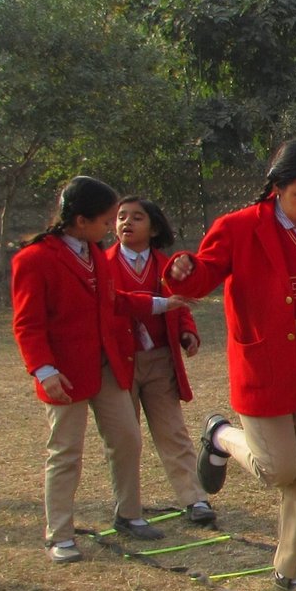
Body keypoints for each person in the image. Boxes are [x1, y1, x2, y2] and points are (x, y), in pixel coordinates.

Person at [165, 139, 296, 591]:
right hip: (265, 362)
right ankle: (220, 435)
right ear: (277, 187)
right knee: (279, 469)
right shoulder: (239, 227)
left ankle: (287, 570)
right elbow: (202, 277)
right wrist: (184, 270)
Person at [10, 175, 173, 564]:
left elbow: (113, 301)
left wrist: (163, 304)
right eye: (105, 220)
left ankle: (129, 513)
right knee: (66, 451)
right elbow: (28, 323)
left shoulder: (94, 253)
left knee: (127, 438)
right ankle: (60, 534)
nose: (112, 228)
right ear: (81, 221)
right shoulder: (34, 259)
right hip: (64, 374)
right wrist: (44, 370)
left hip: (106, 366)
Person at [110, 197, 215, 525]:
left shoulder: (166, 265)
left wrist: (187, 333)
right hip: (120, 362)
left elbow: (180, 305)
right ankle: (128, 507)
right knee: (125, 438)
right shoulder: (103, 264)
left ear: (154, 228)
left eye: (137, 217)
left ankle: (195, 499)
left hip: (159, 360)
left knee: (173, 432)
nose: (127, 222)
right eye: (121, 217)